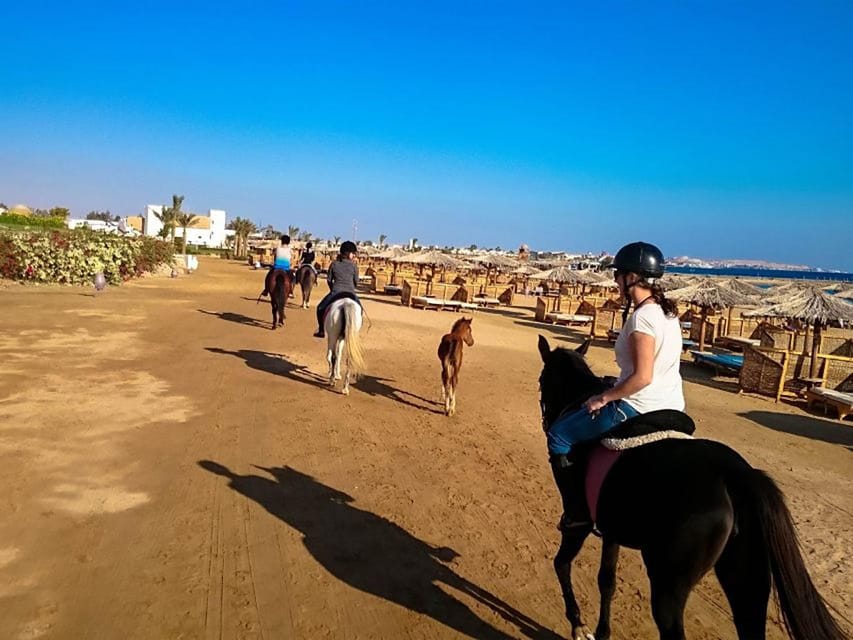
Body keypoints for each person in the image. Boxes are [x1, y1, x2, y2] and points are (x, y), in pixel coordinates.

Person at [548, 241, 684, 528]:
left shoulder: (643, 318)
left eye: (617, 275)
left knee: (559, 435)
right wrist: (616, 381)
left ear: (631, 277)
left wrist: (604, 398)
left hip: (639, 405)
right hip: (673, 405)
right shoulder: (667, 314)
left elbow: (643, 377)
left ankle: (576, 513)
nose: (615, 281)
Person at [313, 240, 360, 338]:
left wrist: (332, 289)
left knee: (320, 308)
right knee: (360, 310)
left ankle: (321, 330)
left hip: (336, 292)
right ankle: (356, 330)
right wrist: (351, 288)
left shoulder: (334, 264)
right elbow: (356, 282)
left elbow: (329, 280)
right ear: (349, 254)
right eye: (353, 253)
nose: (354, 256)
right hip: (351, 293)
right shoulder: (354, 266)